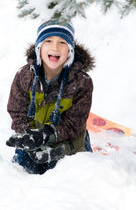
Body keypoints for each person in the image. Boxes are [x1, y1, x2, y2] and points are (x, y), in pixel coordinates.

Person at [6, 20, 95, 174]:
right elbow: (16, 111)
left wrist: (48, 135)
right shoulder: (24, 76)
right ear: (39, 48)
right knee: (21, 174)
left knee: (74, 177)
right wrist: (29, 135)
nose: (55, 47)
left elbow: (73, 124)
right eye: (48, 41)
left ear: (70, 50)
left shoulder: (81, 82)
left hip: (68, 143)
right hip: (33, 138)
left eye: (62, 42)